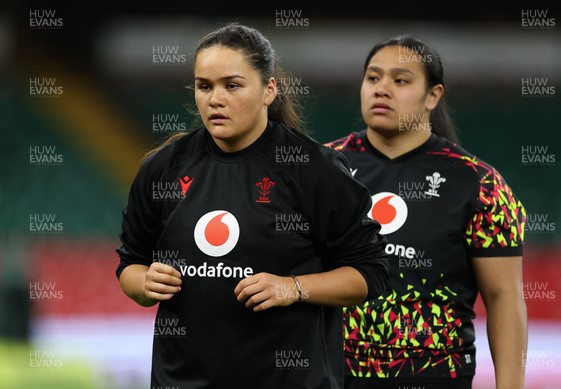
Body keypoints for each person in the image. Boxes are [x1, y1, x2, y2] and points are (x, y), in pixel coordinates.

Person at [115, 22, 389, 389]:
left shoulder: (313, 169)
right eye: (204, 86)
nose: (215, 99)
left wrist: (293, 287)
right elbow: (130, 263)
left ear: (269, 90)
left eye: (232, 85)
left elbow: (371, 273)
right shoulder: (163, 168)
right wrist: (144, 282)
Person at [325, 34, 528, 389]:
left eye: (400, 80)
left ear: (433, 95)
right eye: (373, 78)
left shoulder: (479, 183)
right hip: (332, 374)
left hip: (435, 376)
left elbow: (504, 298)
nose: (381, 89)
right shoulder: (322, 169)